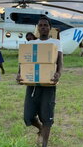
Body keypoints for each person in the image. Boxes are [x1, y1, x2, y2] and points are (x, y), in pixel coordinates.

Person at [17, 16, 63, 147]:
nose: (43, 27)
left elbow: (60, 63)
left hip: (49, 85)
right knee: (28, 117)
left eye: (45, 25)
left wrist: (58, 74)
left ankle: (45, 144)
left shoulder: (56, 43)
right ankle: (40, 129)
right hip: (32, 86)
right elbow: (24, 63)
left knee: (47, 117)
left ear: (50, 28)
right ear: (38, 28)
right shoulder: (31, 44)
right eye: (41, 25)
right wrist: (19, 75)